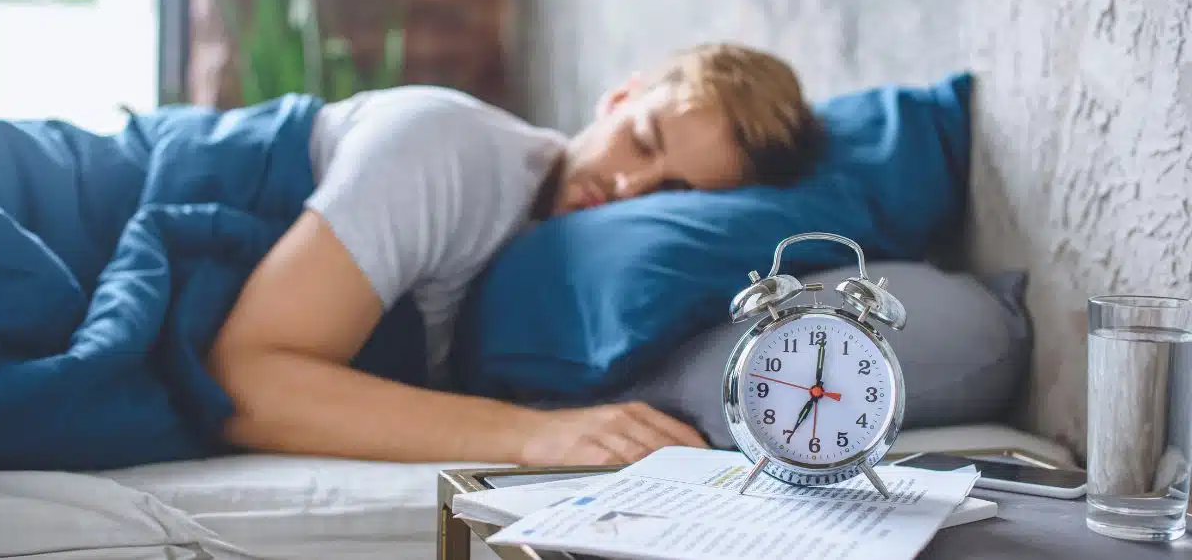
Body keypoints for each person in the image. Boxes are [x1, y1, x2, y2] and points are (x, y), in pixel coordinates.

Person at [207, 42, 823, 467]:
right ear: (618, 99)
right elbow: (244, 383)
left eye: (674, 194)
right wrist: (531, 435)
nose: (629, 188)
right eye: (639, 142)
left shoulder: (561, 288)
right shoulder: (447, 150)